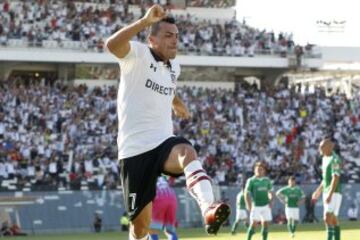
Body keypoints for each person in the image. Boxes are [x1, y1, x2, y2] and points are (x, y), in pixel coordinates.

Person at [106, 4, 230, 240]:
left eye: (176, 36)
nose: (174, 41)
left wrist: (176, 102)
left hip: (163, 143)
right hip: (134, 150)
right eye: (168, 36)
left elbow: (166, 87)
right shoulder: (138, 55)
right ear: (152, 39)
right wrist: (144, 21)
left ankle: (208, 208)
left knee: (186, 151)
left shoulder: (175, 67)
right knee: (140, 228)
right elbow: (111, 45)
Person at [312, 139, 342, 240]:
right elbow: (325, 179)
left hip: (334, 192)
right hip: (326, 191)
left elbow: (336, 177)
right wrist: (318, 190)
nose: (319, 149)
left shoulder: (335, 159)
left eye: (322, 146)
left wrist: (330, 193)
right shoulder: (324, 158)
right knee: (332, 219)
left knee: (327, 217)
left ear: (330, 147)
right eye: (320, 146)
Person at [245, 162, 273, 240]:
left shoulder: (267, 180)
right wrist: (248, 204)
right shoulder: (251, 180)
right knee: (254, 224)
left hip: (266, 205)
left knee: (266, 223)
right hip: (256, 205)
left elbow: (270, 192)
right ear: (254, 170)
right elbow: (246, 194)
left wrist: (271, 201)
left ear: (263, 171)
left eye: (261, 169)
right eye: (257, 169)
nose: (259, 171)